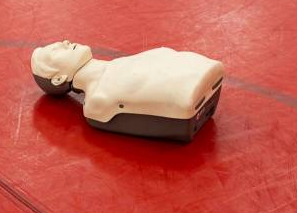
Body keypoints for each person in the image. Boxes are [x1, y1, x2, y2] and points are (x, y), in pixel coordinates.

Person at [31, 40, 224, 142]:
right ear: (58, 79)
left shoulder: (115, 69)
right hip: (188, 92)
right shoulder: (98, 103)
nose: (64, 42)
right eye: (56, 51)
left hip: (197, 79)